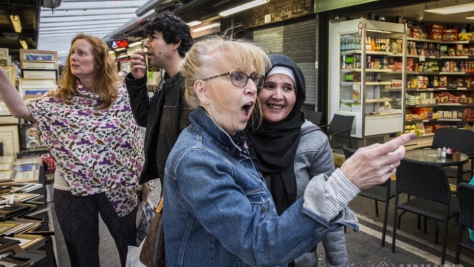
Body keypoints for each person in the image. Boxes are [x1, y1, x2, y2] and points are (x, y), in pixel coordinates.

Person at [163, 35, 414, 266]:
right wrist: (343, 183)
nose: (252, 87)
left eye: (254, 78)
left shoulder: (232, 141)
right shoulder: (198, 159)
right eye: (237, 77)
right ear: (202, 90)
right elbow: (258, 243)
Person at [0, 34, 145, 267]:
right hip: (72, 192)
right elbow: (20, 110)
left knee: (131, 250)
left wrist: (141, 178)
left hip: (118, 187)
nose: (73, 58)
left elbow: (136, 137)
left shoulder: (121, 98)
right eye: (72, 53)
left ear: (98, 62)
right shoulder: (58, 100)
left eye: (81, 53)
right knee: (82, 257)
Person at [245, 54, 347, 266]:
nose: (278, 95)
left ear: (297, 94)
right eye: (269, 85)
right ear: (255, 90)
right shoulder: (237, 136)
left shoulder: (314, 141)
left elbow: (330, 208)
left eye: (288, 88)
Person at [126, 13, 194, 186]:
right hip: (170, 180)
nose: (146, 44)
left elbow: (191, 149)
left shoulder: (190, 85)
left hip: (182, 182)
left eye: (153, 38)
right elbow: (145, 118)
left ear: (176, 43)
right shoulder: (167, 82)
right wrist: (137, 81)